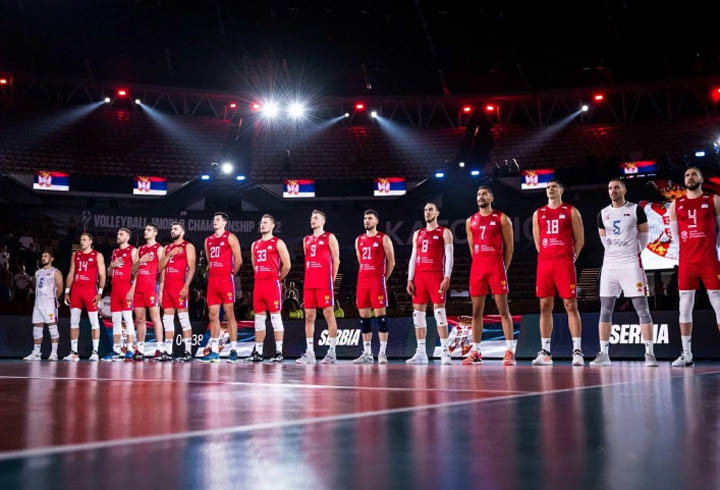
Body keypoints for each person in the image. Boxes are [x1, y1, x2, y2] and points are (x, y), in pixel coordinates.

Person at [591, 179, 658, 367]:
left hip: (631, 264)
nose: (613, 190)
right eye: (610, 188)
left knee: (642, 309)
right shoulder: (603, 213)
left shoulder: (636, 210)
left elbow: (644, 237)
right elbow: (604, 239)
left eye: (616, 187)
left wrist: (631, 252)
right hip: (610, 265)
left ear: (624, 190)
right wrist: (616, 252)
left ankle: (650, 354)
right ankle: (604, 354)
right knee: (605, 310)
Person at [669, 167, 720, 367]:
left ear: (701, 178)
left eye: (693, 174)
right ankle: (687, 354)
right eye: (687, 175)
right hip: (687, 262)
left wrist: (711, 248)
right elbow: (675, 236)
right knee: (685, 305)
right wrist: (687, 251)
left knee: (718, 303)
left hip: (709, 260)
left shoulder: (714, 200)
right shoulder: (676, 204)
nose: (690, 177)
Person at [531, 179, 585, 366]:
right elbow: (538, 242)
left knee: (570, 305)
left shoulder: (571, 211)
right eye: (548, 187)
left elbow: (580, 240)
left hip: (564, 262)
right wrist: (548, 255)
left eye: (554, 186)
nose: (550, 189)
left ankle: (577, 351)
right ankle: (545, 352)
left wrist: (571, 258)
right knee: (545, 306)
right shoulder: (538, 213)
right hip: (545, 263)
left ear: (561, 190)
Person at [462, 186, 517, 366]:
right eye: (478, 194)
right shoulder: (470, 221)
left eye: (484, 194)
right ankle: (476, 352)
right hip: (478, 268)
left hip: (496, 267)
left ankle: (509, 351)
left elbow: (509, 247)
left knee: (503, 310)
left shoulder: (502, 218)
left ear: (491, 197)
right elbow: (472, 248)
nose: (481, 196)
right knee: (476, 311)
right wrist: (480, 263)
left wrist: (502, 268)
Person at [406, 202, 454, 365]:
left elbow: (449, 255)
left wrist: (447, 276)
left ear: (437, 213)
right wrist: (410, 278)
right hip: (420, 277)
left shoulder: (444, 232)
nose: (427, 212)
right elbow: (413, 257)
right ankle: (421, 353)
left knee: (440, 313)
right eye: (425, 210)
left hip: (436, 275)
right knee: (418, 315)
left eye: (431, 210)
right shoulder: (418, 233)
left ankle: (445, 352)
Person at [296, 210, 340, 364]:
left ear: (323, 221)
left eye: (316, 218)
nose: (312, 220)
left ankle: (332, 352)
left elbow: (336, 260)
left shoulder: (329, 237)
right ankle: (310, 353)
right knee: (309, 316)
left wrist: (331, 280)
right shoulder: (306, 239)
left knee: (329, 314)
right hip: (310, 282)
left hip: (324, 282)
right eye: (311, 217)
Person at [245, 214, 291, 363]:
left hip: (272, 284)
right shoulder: (255, 244)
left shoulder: (278, 243)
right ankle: (258, 352)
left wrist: (277, 278)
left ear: (272, 226)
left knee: (276, 318)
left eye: (265, 223)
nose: (262, 225)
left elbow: (287, 265)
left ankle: (279, 352)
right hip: (259, 284)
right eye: (261, 223)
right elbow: (255, 265)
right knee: (259, 319)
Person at [352, 209, 396, 364]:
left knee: (381, 318)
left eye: (370, 218)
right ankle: (368, 353)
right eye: (365, 218)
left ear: (376, 221)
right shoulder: (359, 239)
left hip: (377, 282)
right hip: (362, 281)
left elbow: (391, 262)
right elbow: (361, 261)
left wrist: (383, 278)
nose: (367, 221)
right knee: (364, 319)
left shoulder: (384, 238)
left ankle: (382, 353)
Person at [201, 212, 243, 363]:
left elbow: (238, 259)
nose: (215, 222)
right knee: (213, 315)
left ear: (224, 223)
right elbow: (209, 260)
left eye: (218, 220)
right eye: (214, 220)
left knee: (229, 313)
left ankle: (233, 350)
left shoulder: (230, 237)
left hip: (226, 280)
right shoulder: (208, 240)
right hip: (213, 280)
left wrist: (230, 274)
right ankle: (214, 351)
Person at [63, 232, 106, 361]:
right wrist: (67, 291)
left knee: (94, 321)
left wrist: (100, 293)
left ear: (90, 241)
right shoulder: (75, 255)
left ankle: (95, 352)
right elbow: (71, 273)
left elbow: (102, 275)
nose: (82, 242)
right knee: (73, 321)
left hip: (90, 291)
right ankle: (74, 352)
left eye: (85, 240)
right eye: (81, 240)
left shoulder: (97, 255)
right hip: (76, 291)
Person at [158, 222, 196, 362]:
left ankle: (188, 352)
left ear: (183, 232)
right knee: (167, 320)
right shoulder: (167, 248)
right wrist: (161, 291)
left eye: (175, 229)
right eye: (171, 229)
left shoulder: (188, 246)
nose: (172, 231)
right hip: (167, 288)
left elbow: (192, 268)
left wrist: (186, 286)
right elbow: (160, 267)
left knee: (184, 320)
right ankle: (168, 352)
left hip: (180, 287)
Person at [132, 224, 165, 361]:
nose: (145, 232)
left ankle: (160, 349)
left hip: (151, 287)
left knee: (155, 318)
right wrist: (140, 260)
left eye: (149, 230)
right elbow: (133, 270)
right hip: (139, 288)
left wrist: (161, 291)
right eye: (145, 230)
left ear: (155, 233)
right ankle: (140, 350)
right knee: (139, 319)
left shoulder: (159, 248)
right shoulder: (140, 249)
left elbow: (163, 271)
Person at [104, 228, 137, 361]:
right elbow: (109, 273)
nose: (118, 236)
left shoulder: (132, 250)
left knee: (128, 319)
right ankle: (116, 349)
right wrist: (112, 265)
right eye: (118, 234)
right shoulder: (115, 252)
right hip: (115, 289)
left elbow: (137, 271)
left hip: (126, 288)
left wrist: (132, 289)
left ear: (127, 237)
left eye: (121, 234)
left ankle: (130, 349)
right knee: (116, 320)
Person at [24, 250, 63, 361]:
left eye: (46, 256)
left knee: (52, 328)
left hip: (49, 304)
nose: (43, 258)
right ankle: (36, 353)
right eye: (42, 256)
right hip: (38, 304)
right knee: (37, 328)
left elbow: (60, 287)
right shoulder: (38, 272)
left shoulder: (55, 272)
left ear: (52, 259)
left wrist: (55, 299)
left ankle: (54, 353)